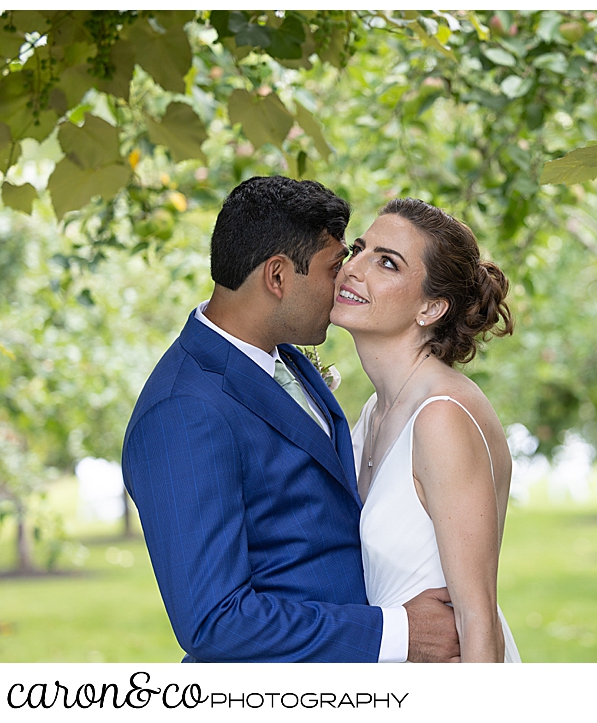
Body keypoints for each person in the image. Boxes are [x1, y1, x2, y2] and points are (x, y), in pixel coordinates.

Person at [121, 177, 459, 662]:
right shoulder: (182, 413)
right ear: (277, 277)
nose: (344, 282)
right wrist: (399, 634)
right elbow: (214, 622)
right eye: (333, 268)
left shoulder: (285, 359)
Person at [331, 198, 520, 662]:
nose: (353, 268)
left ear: (431, 307)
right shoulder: (376, 410)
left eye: (387, 263)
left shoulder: (441, 417)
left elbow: (478, 619)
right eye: (359, 249)